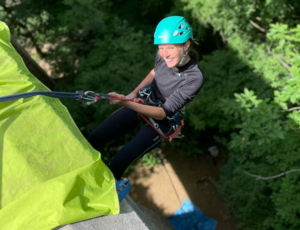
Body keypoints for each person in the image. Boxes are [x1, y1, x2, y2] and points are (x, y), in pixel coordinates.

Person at [88, 16, 204, 180]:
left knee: (120, 160)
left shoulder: (194, 78)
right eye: (161, 48)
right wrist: (133, 94)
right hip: (146, 101)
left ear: (186, 44)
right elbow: (154, 72)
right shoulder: (163, 55)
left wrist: (126, 103)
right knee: (96, 138)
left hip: (162, 120)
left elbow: (163, 112)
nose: (164, 54)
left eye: (170, 48)